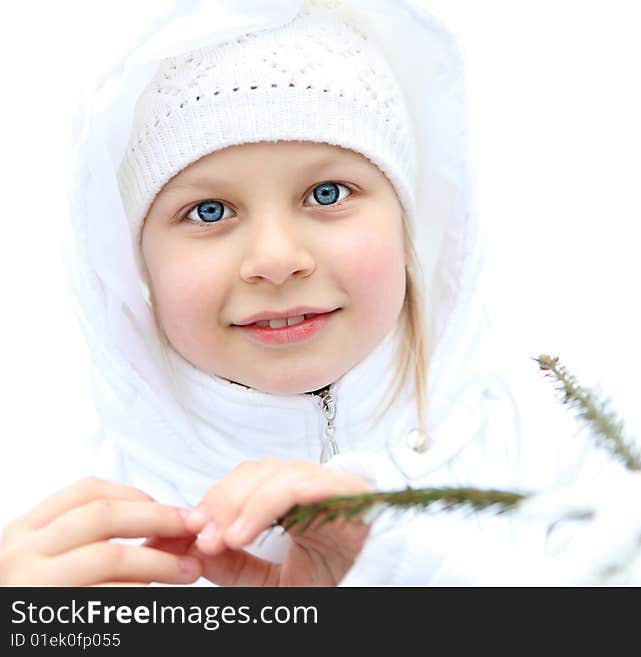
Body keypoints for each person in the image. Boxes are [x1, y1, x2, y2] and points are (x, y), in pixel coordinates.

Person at [0, 0, 593, 586]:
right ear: (136, 264)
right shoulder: (79, 525)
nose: (276, 260)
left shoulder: (547, 443)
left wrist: (395, 563)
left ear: (409, 221)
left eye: (328, 193)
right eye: (209, 210)